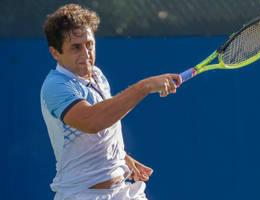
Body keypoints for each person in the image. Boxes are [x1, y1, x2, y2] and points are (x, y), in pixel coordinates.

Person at [41, 4, 182, 200]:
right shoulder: (55, 86)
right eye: (76, 47)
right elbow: (92, 121)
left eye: (89, 44)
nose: (86, 54)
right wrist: (144, 87)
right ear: (55, 52)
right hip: (82, 195)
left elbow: (102, 128)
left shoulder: (97, 75)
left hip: (120, 191)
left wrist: (121, 157)